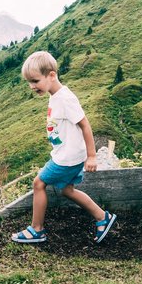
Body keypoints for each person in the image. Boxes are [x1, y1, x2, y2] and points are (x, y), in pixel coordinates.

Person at [12, 51, 116, 244]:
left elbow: (85, 124)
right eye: (29, 82)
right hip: (67, 155)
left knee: (38, 184)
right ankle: (102, 217)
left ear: (51, 75)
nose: (32, 86)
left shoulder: (65, 98)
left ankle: (36, 230)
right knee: (67, 191)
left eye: (35, 81)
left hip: (66, 159)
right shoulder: (56, 95)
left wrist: (92, 156)